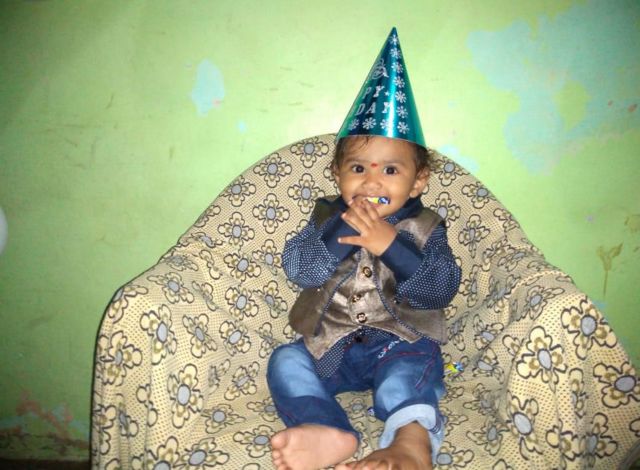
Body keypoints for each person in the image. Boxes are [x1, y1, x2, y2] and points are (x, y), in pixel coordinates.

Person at [267, 28, 461, 470]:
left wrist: (391, 245)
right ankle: (327, 431)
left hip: (399, 343)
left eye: (390, 170)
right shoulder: (326, 217)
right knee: (286, 361)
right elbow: (299, 268)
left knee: (409, 375)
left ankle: (410, 442)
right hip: (328, 347)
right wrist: (339, 232)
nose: (372, 181)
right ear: (338, 174)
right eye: (358, 168)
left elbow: (440, 289)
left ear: (418, 181)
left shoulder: (427, 226)